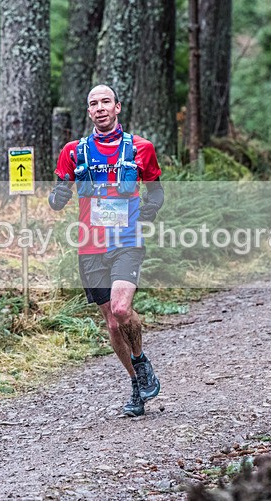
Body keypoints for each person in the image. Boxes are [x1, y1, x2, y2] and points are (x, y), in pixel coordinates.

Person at [48, 84, 165, 417]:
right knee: (113, 325)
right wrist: (58, 197)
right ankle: (136, 384)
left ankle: (141, 362)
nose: (100, 107)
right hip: (90, 246)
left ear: (117, 107)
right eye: (93, 103)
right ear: (89, 112)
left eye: (105, 102)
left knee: (121, 308)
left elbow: (156, 193)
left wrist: (150, 209)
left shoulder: (141, 148)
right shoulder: (74, 152)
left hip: (127, 241)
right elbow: (57, 196)